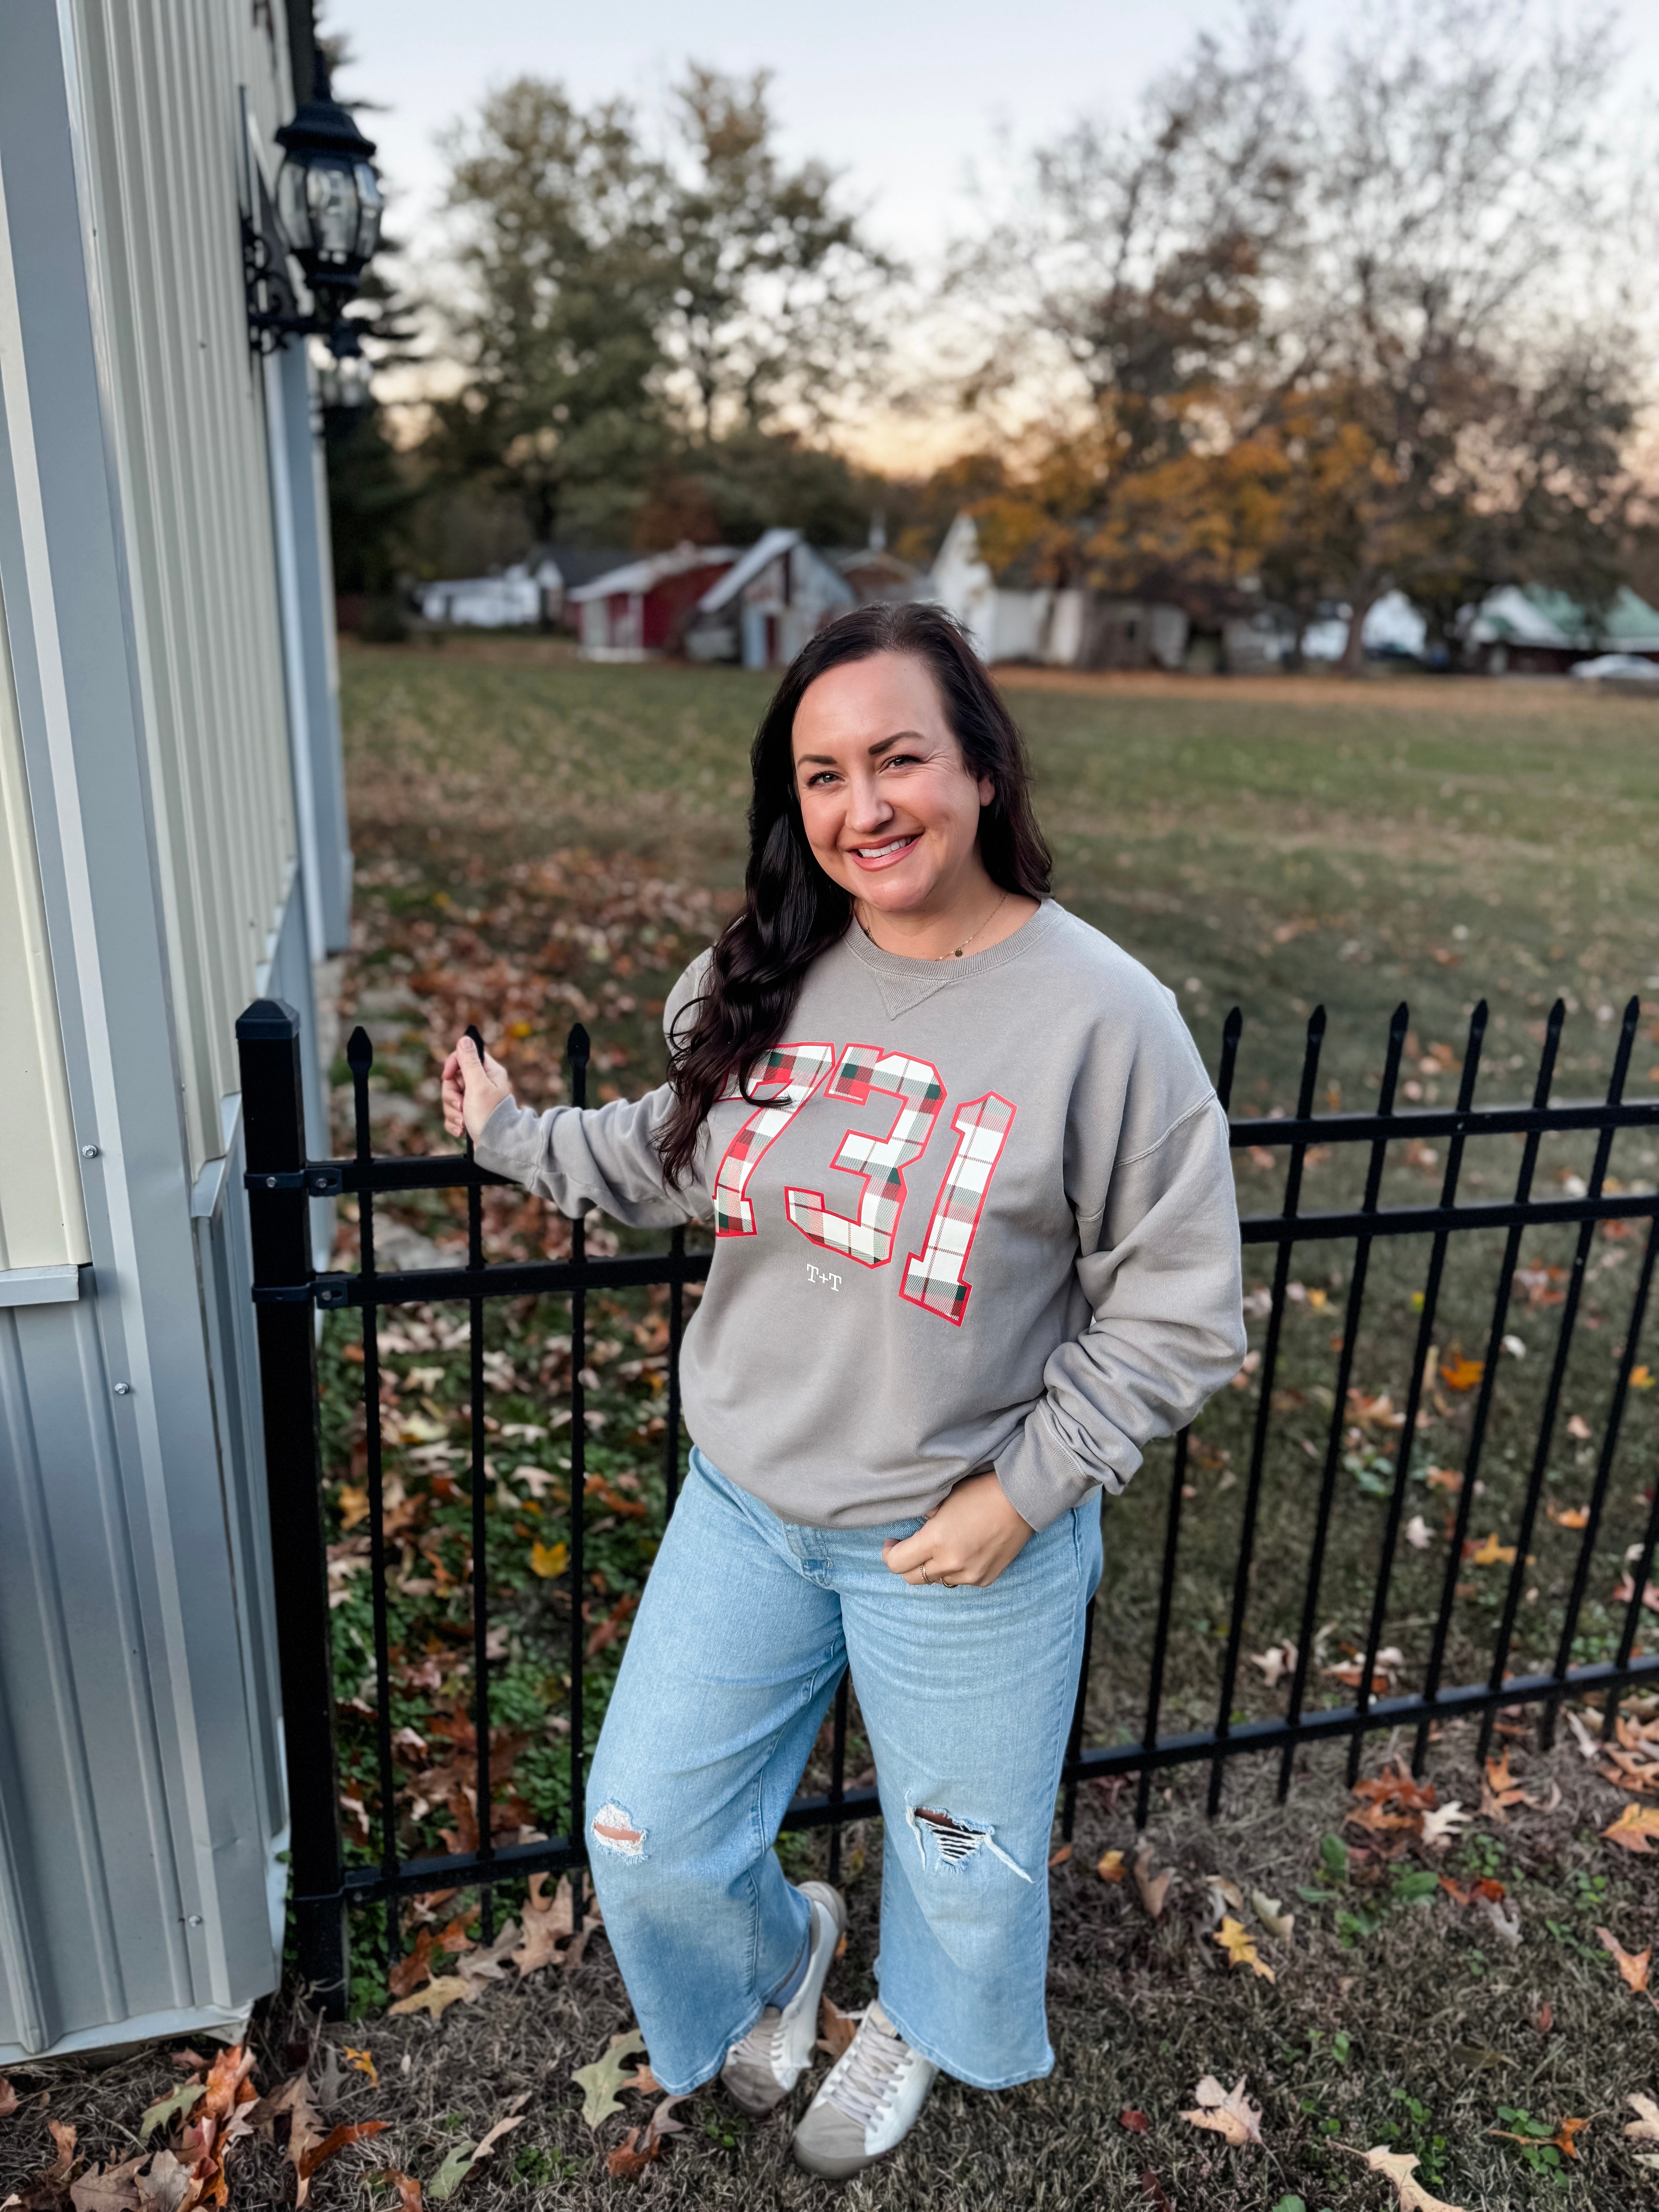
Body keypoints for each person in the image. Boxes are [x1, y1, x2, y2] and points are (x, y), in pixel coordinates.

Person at [440, 602, 1244, 2180]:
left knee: (962, 1858)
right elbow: (664, 1153)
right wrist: (512, 1136)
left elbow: (1181, 1305)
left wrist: (1025, 1492)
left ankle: (919, 2023)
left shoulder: (1105, 1018)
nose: (862, 807)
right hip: (746, 1508)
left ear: (984, 769)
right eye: (822, 775)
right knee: (646, 1830)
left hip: (959, 1540)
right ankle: (778, 1954)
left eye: (898, 760)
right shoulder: (763, 970)